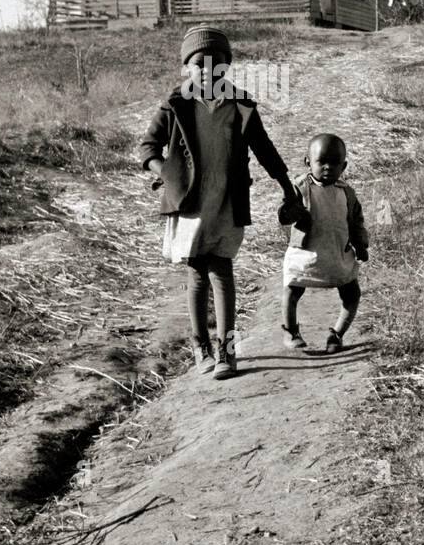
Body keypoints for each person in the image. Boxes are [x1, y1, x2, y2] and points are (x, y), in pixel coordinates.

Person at [138, 24, 304, 380]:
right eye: (199, 65)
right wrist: (165, 172)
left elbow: (266, 151)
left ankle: (228, 351)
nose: (207, 72)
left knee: (223, 271)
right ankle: (202, 349)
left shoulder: (240, 105)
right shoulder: (176, 104)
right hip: (191, 202)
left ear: (226, 68)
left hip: (227, 200)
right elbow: (148, 147)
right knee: (197, 271)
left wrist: (287, 187)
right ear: (187, 68)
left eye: (217, 66)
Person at [281, 133, 368, 354]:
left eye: (335, 162)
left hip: (337, 253)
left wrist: (361, 244)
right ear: (308, 162)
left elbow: (356, 220)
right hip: (306, 254)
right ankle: (291, 331)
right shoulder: (300, 188)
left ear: (344, 165)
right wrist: (291, 210)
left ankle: (337, 334)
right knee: (293, 289)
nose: (328, 167)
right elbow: (283, 215)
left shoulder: (346, 192)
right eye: (322, 162)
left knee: (352, 294)